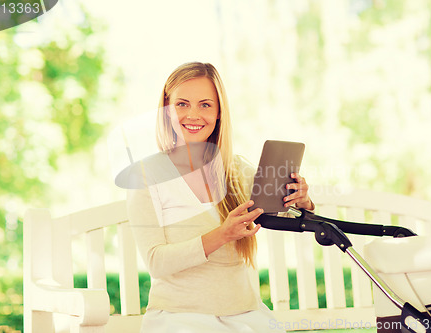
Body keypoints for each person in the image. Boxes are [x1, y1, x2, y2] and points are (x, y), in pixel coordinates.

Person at [126, 62, 315, 332]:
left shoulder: (238, 170)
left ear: (218, 113)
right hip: (179, 317)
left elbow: (286, 215)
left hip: (246, 315)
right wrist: (222, 234)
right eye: (182, 104)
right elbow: (157, 262)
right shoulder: (145, 175)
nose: (193, 115)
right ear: (166, 111)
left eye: (205, 105)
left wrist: (302, 201)